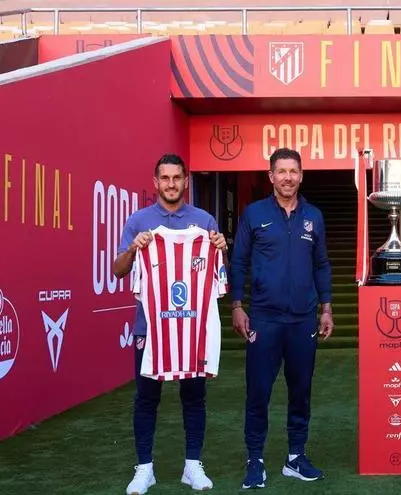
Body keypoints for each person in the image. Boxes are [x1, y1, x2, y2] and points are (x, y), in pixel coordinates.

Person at [112, 153, 228, 495]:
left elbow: (217, 278)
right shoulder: (139, 221)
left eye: (177, 177)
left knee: (194, 396)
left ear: (186, 181)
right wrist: (134, 249)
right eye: (165, 178)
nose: (171, 184)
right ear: (156, 182)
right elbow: (119, 271)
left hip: (191, 329)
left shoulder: (204, 221)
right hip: (150, 327)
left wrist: (221, 246)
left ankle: (192, 465)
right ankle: (144, 468)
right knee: (147, 397)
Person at [230, 147, 334, 490]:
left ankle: (295, 458)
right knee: (258, 392)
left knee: (300, 392)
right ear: (271, 176)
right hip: (264, 319)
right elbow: (239, 262)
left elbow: (321, 264)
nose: (288, 177)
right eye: (282, 171)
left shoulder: (314, 216)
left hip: (303, 319)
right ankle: (255, 460)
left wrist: (327, 307)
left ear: (301, 175)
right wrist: (237, 305)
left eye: (294, 171)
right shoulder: (254, 213)